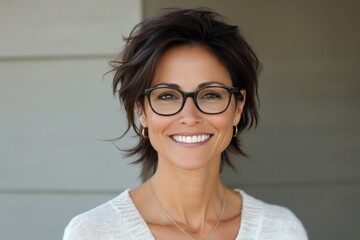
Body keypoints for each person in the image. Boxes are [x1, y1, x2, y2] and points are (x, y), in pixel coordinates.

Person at [63, 8, 308, 240]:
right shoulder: (94, 233)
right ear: (142, 110)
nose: (190, 117)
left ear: (238, 107)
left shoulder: (282, 230)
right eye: (167, 96)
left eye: (211, 94)